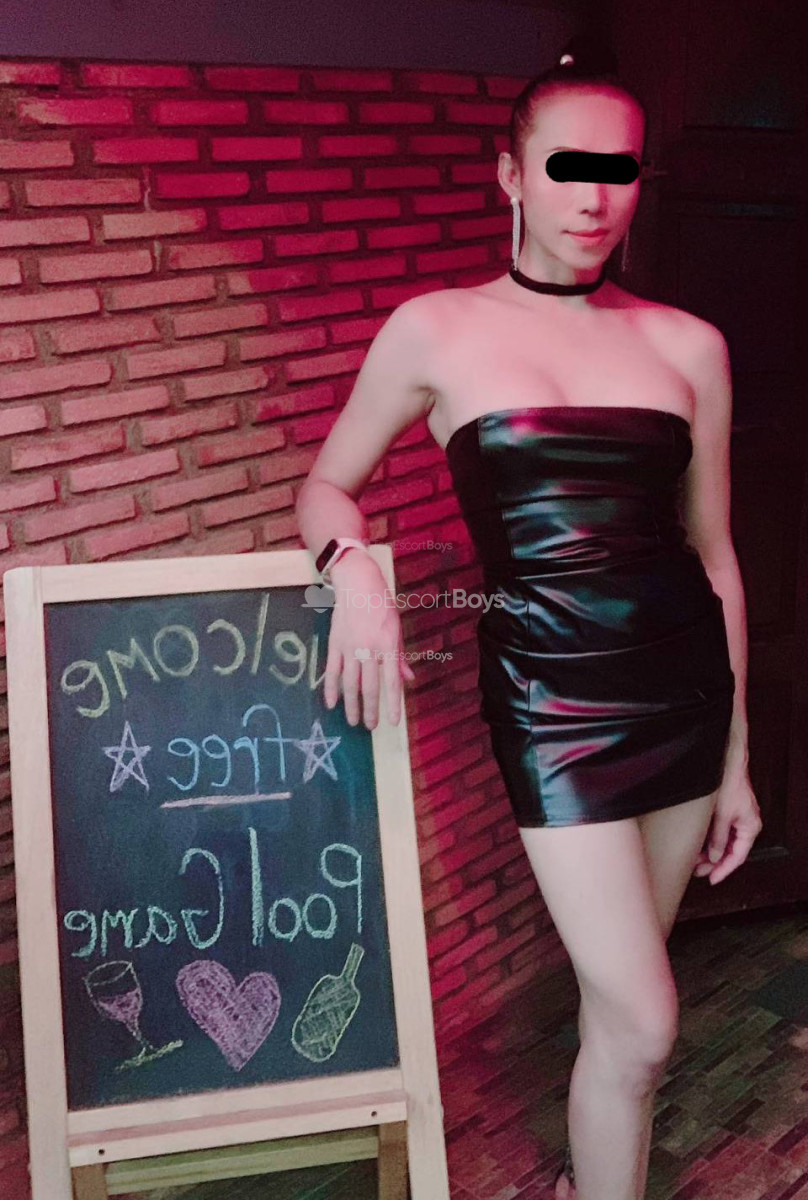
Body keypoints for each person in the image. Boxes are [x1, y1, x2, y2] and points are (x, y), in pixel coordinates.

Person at [295, 33, 762, 1200]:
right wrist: (353, 572)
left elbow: (714, 554)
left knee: (621, 1018)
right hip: (552, 706)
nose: (594, 198)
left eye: (619, 169)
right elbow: (326, 484)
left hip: (684, 695)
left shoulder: (687, 345)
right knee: (648, 1020)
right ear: (510, 174)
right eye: (566, 167)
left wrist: (738, 758)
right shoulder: (435, 328)